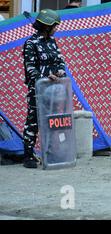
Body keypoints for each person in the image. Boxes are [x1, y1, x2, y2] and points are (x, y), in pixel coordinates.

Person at [22, 9, 66, 168]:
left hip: (54, 90)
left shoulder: (52, 42)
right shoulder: (31, 43)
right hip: (38, 90)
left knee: (52, 121)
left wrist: (60, 72)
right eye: (55, 25)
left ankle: (51, 152)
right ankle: (28, 156)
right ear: (46, 26)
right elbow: (30, 69)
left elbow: (61, 61)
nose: (57, 28)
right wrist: (47, 75)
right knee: (33, 122)